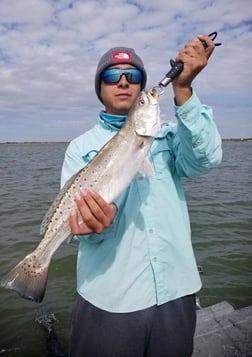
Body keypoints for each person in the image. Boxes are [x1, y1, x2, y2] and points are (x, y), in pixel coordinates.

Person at [60, 35, 222, 357]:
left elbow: (206, 160)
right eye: (112, 76)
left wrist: (184, 91)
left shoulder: (168, 137)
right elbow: (78, 228)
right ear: (100, 88)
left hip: (177, 291)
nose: (123, 82)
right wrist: (91, 228)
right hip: (110, 298)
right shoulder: (79, 148)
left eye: (133, 76)